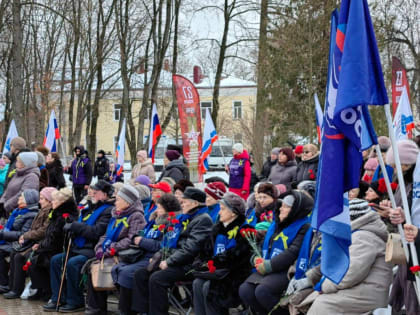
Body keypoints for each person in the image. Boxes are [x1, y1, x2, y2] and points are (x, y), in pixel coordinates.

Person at [132, 187, 213, 315]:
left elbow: (190, 249)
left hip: (191, 264)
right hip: (177, 260)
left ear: (195, 203)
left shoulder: (203, 219)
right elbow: (168, 242)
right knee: (140, 274)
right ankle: (143, 312)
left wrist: (168, 261)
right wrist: (159, 257)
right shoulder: (184, 218)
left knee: (157, 278)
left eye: (185, 201)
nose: (182, 204)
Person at [307, 201, 392, 315]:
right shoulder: (359, 233)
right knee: (306, 298)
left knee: (322, 305)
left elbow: (350, 274)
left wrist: (325, 287)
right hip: (361, 288)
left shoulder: (364, 237)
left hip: (368, 294)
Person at [239, 190, 313, 314]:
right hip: (267, 265)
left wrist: (268, 265)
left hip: (286, 269)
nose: (281, 209)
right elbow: (262, 245)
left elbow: (292, 252)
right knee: (245, 290)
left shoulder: (304, 226)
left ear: (296, 210)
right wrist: (255, 259)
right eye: (281, 206)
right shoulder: (276, 224)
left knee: (263, 291)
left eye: (286, 207)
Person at [44, 180, 114, 312]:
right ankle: (58, 298)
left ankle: (75, 300)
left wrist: (75, 226)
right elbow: (81, 225)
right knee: (56, 260)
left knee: (73, 263)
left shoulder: (108, 211)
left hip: (92, 249)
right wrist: (70, 227)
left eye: (96, 192)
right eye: (92, 191)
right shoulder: (88, 209)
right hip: (79, 247)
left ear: (105, 195)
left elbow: (96, 232)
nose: (92, 194)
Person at [107, 194, 182, 315]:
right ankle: (127, 308)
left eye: (159, 207)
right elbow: (141, 235)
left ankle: (131, 310)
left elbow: (164, 246)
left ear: (168, 209)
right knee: (118, 268)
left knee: (128, 273)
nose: (156, 210)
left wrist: (142, 241)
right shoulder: (153, 221)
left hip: (156, 257)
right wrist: (138, 238)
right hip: (142, 254)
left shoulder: (172, 223)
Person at [85, 184, 146, 315]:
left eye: (118, 199)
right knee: (93, 266)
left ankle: (118, 309)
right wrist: (100, 247)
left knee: (110, 268)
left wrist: (110, 249)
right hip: (111, 251)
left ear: (127, 201)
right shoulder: (116, 214)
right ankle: (95, 308)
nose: (115, 202)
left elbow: (131, 239)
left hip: (126, 254)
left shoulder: (136, 216)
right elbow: (106, 235)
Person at [193, 192, 253, 315]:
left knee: (209, 287)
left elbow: (236, 257)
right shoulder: (217, 228)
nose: (219, 212)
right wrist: (201, 263)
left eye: (222, 209)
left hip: (234, 274)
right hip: (216, 271)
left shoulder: (245, 230)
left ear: (233, 212)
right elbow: (206, 251)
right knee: (197, 283)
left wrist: (213, 263)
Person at [4, 187, 57, 299]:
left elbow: (42, 231)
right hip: (35, 242)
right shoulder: (42, 210)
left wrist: (25, 236)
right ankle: (13, 287)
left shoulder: (47, 212)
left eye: (42, 198)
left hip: (43, 244)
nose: (39, 201)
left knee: (22, 257)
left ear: (49, 200)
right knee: (16, 254)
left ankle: (25, 289)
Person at [29, 188, 78, 303]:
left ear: (62, 203)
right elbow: (49, 235)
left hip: (58, 248)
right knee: (34, 260)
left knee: (42, 259)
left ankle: (50, 292)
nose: (52, 203)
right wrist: (40, 245)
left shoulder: (63, 217)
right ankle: (43, 290)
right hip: (50, 246)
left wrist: (41, 247)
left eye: (54, 200)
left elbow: (56, 239)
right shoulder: (56, 214)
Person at [0, 189, 39, 293]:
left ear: (28, 200)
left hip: (18, 243)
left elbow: (22, 234)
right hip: (9, 240)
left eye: (21, 197)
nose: (19, 198)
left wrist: (2, 234)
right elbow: (10, 228)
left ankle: (4, 283)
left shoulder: (31, 214)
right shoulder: (18, 211)